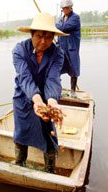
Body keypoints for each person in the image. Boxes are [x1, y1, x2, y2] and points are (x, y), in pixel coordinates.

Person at [12, 12, 68, 173]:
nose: (44, 41)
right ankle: (19, 166)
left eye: (49, 37)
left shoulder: (57, 53)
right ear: (31, 34)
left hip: (46, 98)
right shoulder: (19, 50)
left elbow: (53, 79)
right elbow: (25, 79)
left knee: (49, 135)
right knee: (21, 134)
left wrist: (52, 101)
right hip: (23, 98)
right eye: (39, 36)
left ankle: (49, 171)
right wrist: (37, 101)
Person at [56, 0, 81, 98]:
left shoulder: (75, 18)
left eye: (66, 8)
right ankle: (57, 90)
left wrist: (54, 25)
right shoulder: (61, 19)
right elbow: (59, 33)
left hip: (71, 48)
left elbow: (63, 28)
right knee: (56, 69)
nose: (64, 10)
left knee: (74, 70)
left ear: (71, 8)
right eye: (63, 8)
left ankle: (73, 91)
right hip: (61, 48)